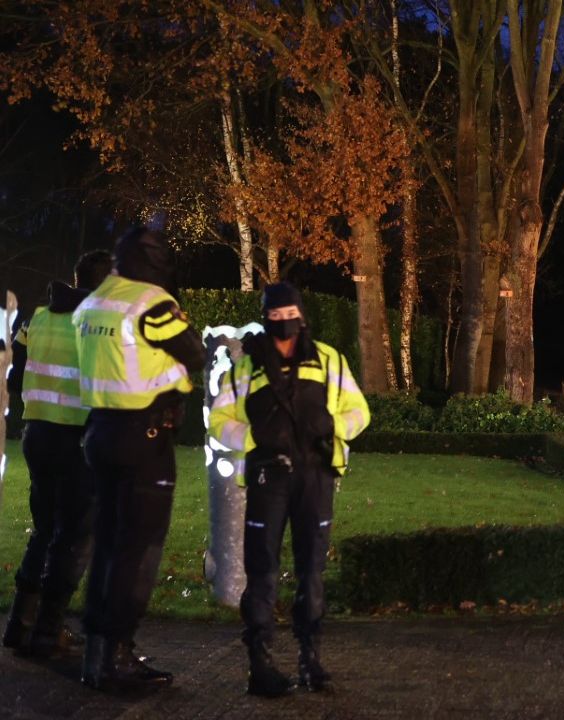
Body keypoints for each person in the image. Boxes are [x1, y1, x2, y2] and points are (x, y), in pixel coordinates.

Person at [209, 282, 370, 698]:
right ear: (266, 318)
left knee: (311, 571)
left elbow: (359, 411)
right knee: (261, 571)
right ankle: (259, 664)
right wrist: (254, 437)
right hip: (268, 476)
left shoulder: (330, 360)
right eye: (275, 316)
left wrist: (332, 429)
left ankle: (310, 658)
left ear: (302, 317)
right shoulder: (245, 368)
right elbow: (218, 419)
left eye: (290, 316)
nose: (284, 324)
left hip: (316, 475)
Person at [74, 228, 203, 692]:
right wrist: (177, 381)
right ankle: (119, 654)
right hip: (144, 436)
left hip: (99, 433)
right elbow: (195, 353)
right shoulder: (151, 301)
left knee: (107, 542)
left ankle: (95, 653)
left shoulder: (94, 302)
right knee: (139, 549)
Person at [3, 251, 111, 658]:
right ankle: (50, 629)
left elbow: (14, 373)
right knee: (76, 535)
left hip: (36, 434)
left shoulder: (39, 317)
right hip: (77, 440)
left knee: (45, 529)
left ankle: (20, 624)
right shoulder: (97, 324)